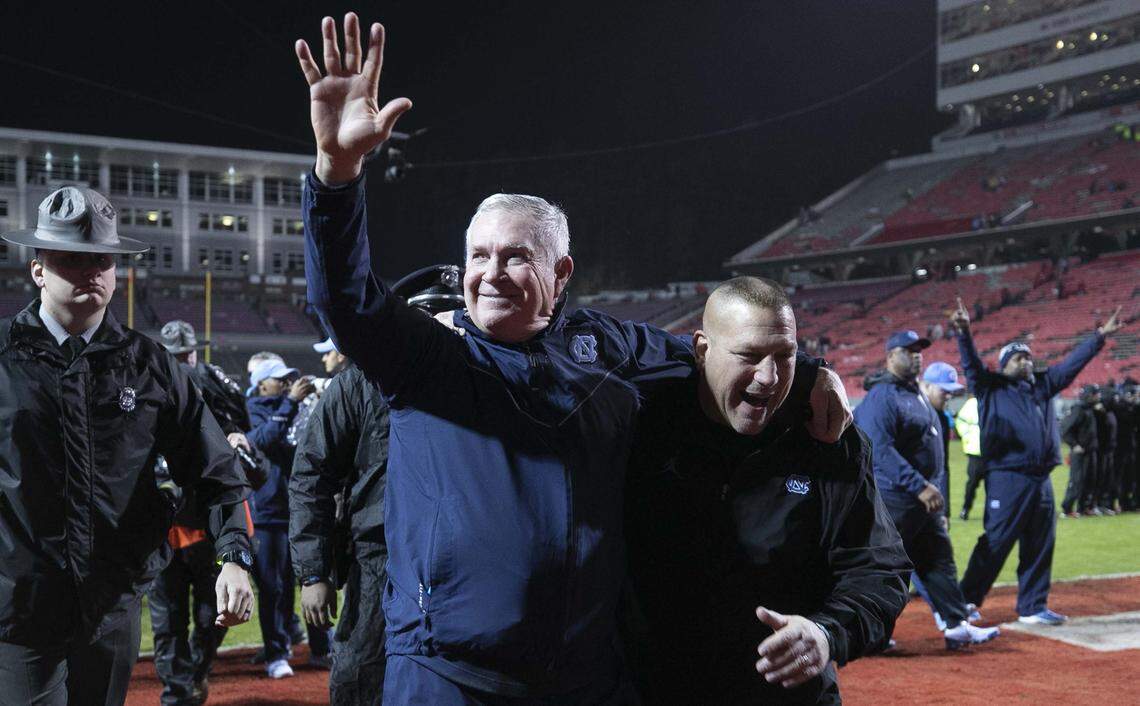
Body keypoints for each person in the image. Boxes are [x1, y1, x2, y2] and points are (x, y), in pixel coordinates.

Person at [293, 14, 852, 701]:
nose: (490, 273)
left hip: (585, 677)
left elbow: (723, 356)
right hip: (448, 676)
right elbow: (343, 300)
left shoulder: (610, 347)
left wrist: (813, 374)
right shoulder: (428, 358)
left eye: (516, 256)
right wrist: (338, 175)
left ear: (561, 273)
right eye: (478, 256)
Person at [0, 186, 254, 705]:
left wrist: (233, 555)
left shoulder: (151, 365)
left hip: (112, 603)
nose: (91, 270)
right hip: (18, 606)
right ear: (38, 269)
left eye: (102, 259)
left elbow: (214, 467)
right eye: (72, 259)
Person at [623, 277, 911, 705]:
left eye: (785, 356)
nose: (770, 377)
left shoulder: (828, 438)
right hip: (657, 689)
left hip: (789, 697)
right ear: (701, 350)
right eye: (750, 356)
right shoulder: (641, 424)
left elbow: (878, 569)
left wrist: (826, 633)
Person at [291, 264, 464, 705]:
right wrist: (315, 570)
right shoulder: (357, 386)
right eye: (430, 319)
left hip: (464, 560)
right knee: (363, 678)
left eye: (451, 319)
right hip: (379, 561)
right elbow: (311, 476)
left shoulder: (484, 379)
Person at [950, 298, 1124, 625]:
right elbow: (971, 365)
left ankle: (1032, 606)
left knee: (1041, 543)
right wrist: (963, 332)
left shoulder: (1043, 386)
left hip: (1041, 478)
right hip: (1007, 476)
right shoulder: (990, 387)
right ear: (1003, 365)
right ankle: (965, 602)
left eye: (1027, 356)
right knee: (996, 541)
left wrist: (1099, 337)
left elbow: (1072, 364)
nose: (1024, 361)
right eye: (1016, 357)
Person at [853, 330, 999, 650]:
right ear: (891, 356)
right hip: (896, 500)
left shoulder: (915, 394)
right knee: (887, 569)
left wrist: (937, 501)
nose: (917, 355)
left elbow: (934, 454)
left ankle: (956, 624)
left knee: (938, 562)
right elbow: (880, 449)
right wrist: (919, 486)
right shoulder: (882, 397)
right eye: (908, 350)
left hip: (924, 503)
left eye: (919, 350)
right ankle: (869, 634)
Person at [149, 320, 268, 706]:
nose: (184, 363)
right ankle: (178, 692)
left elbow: (253, 468)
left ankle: (195, 673)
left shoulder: (214, 387)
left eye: (186, 355)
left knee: (209, 614)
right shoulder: (144, 384)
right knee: (168, 619)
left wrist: (237, 446)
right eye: (176, 356)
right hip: (162, 527)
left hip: (204, 524)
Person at [246, 358, 329, 678]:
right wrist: (291, 403)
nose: (286, 383)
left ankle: (321, 647)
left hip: (299, 508)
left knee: (313, 578)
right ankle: (276, 653)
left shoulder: (294, 406)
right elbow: (261, 441)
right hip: (268, 513)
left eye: (287, 379)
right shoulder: (251, 407)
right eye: (279, 379)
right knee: (272, 588)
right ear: (263, 383)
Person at [1060, 385, 1101, 518]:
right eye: (1095, 394)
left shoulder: (1089, 409)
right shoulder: (1079, 409)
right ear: (1089, 395)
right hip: (1080, 453)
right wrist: (1074, 445)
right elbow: (1065, 429)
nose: (1098, 397)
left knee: (1090, 480)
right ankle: (1067, 509)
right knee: (1077, 481)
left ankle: (1083, 507)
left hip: (1091, 450)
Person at [956, 394, 985, 521]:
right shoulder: (971, 403)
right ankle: (965, 509)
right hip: (975, 452)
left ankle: (994, 512)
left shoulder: (995, 399)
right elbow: (960, 421)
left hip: (992, 453)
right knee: (972, 483)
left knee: (994, 484)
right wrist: (967, 436)